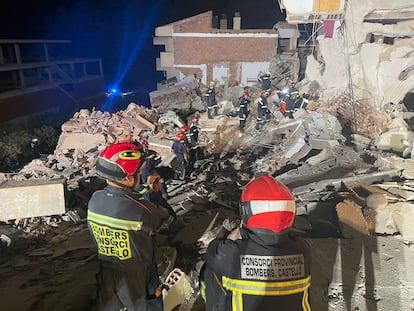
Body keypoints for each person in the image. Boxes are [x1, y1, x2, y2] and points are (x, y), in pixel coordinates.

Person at [201, 173, 312, 311]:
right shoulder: (303, 251)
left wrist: (233, 237)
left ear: (246, 211)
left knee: (208, 272)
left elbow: (212, 250)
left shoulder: (230, 255)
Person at [87, 142, 172, 311]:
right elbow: (167, 220)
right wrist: (155, 194)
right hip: (138, 276)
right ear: (128, 177)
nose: (141, 175)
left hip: (108, 272)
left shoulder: (94, 200)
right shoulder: (138, 208)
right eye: (138, 173)